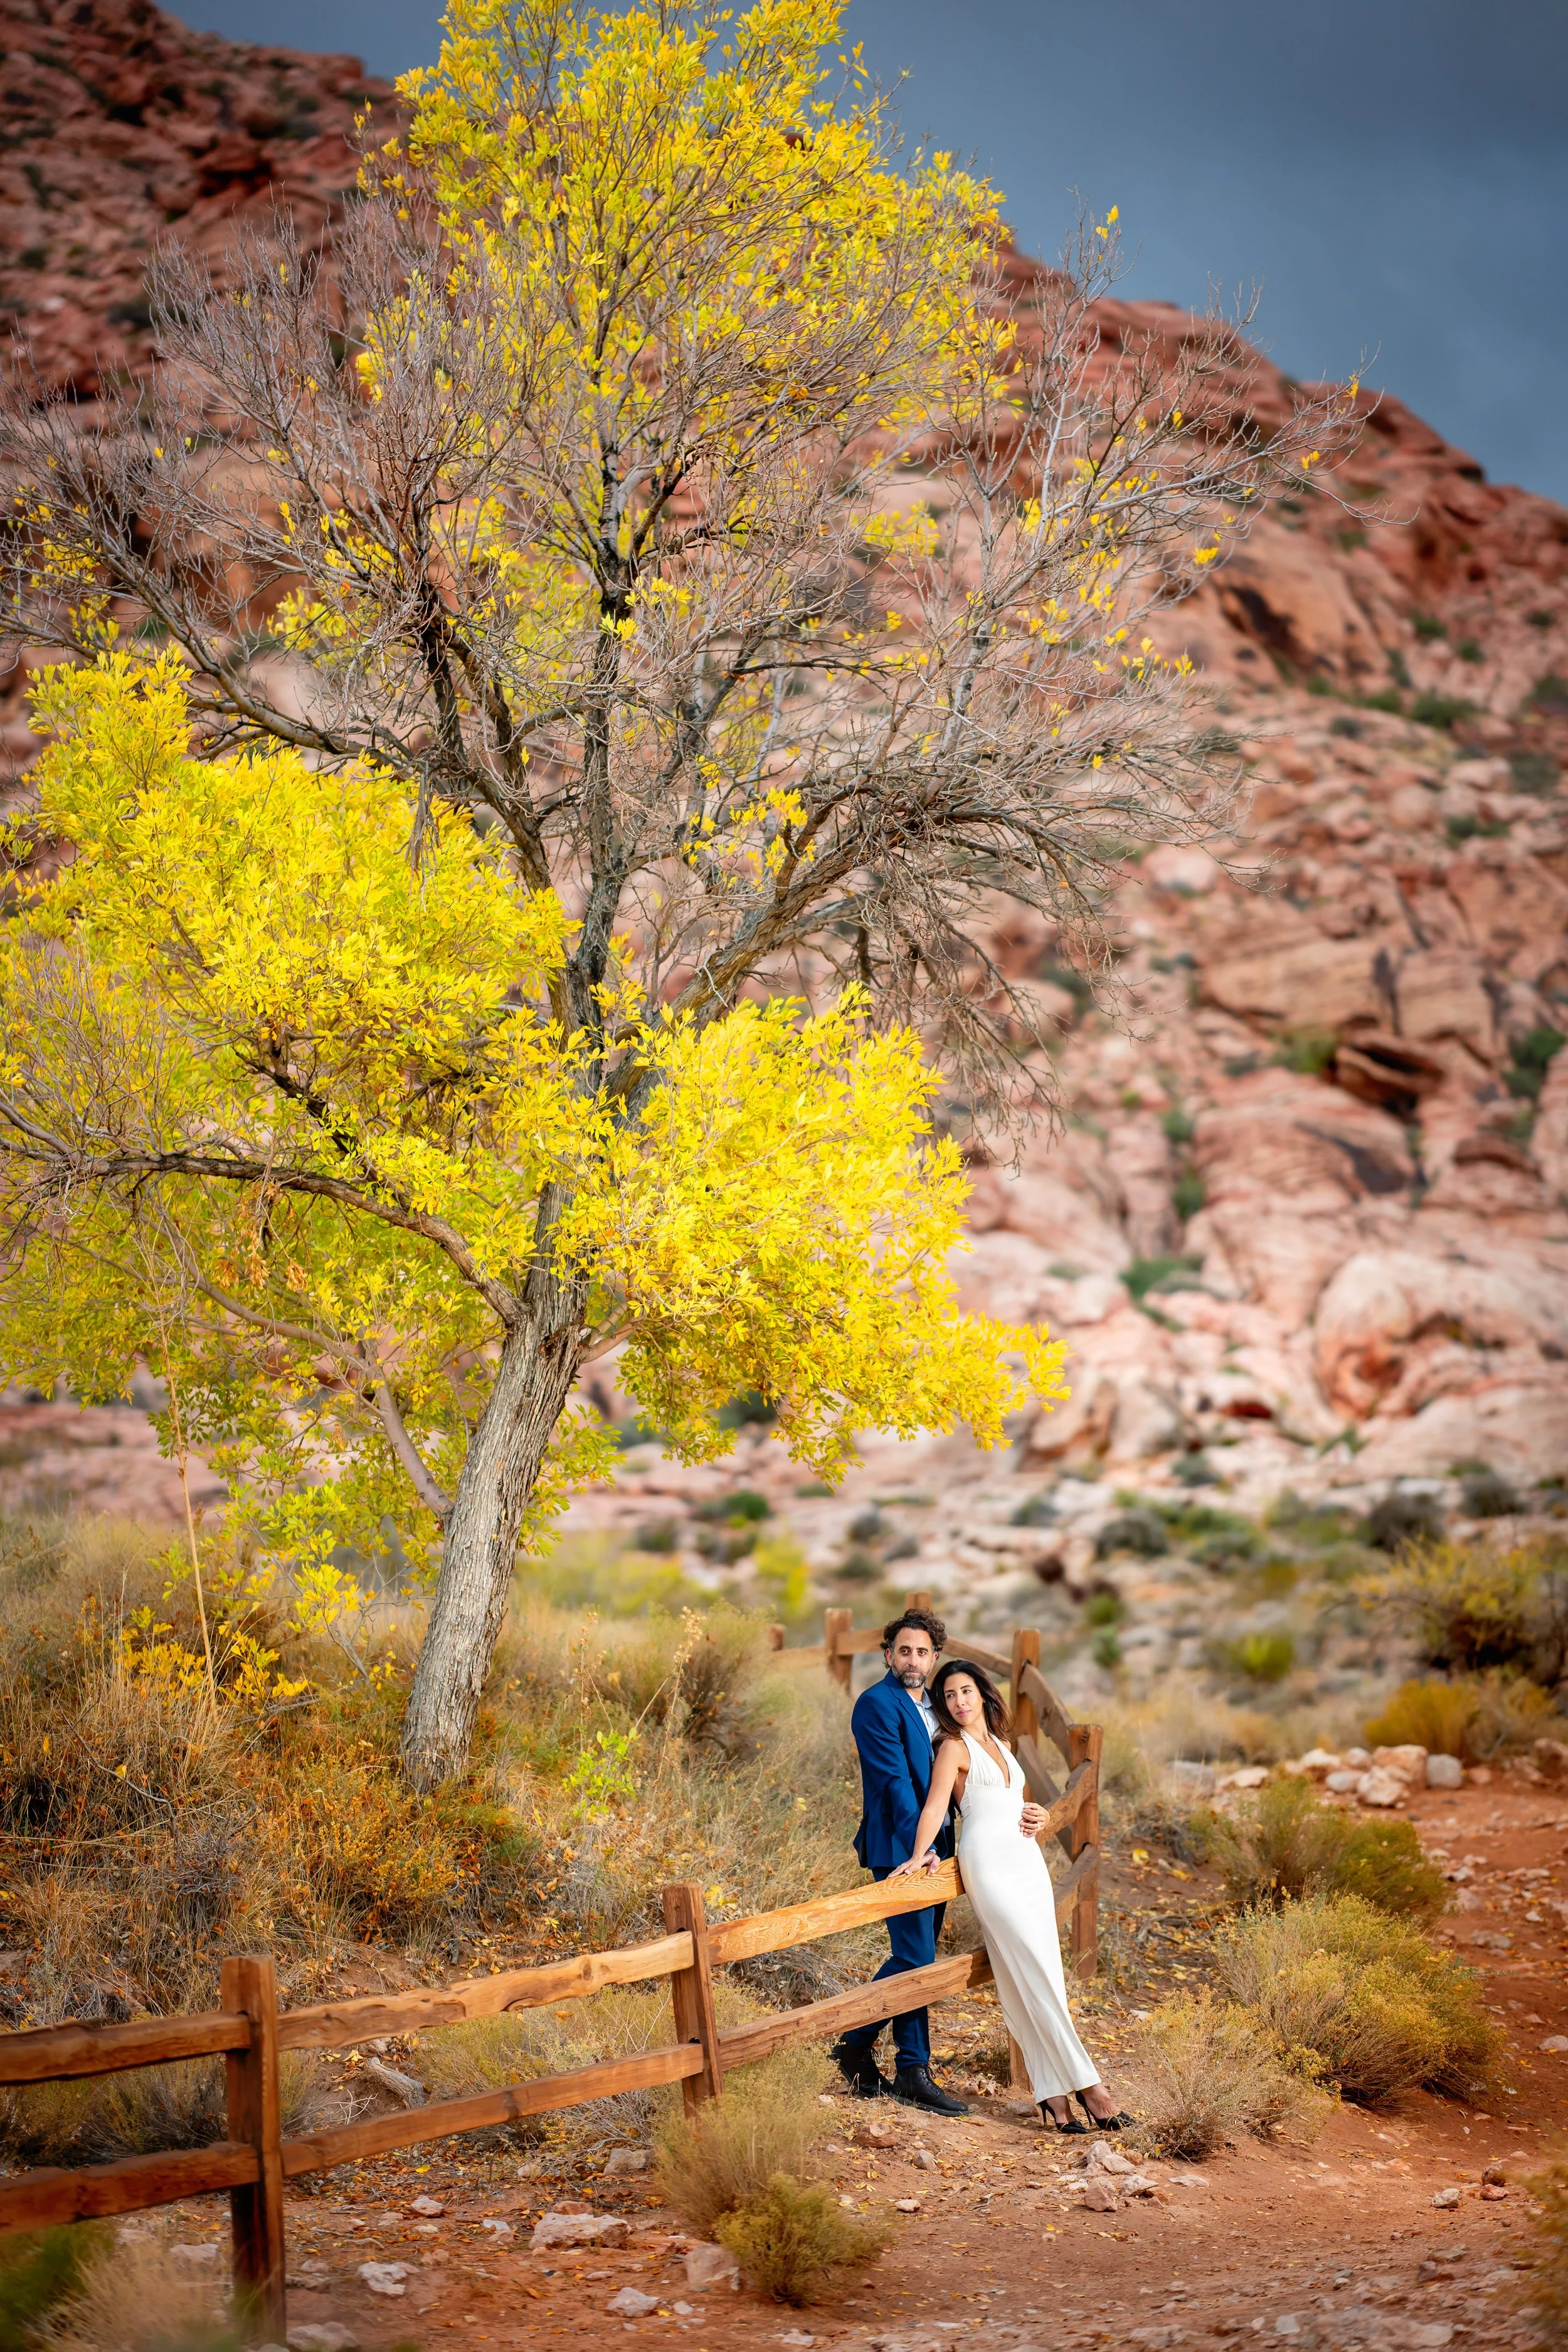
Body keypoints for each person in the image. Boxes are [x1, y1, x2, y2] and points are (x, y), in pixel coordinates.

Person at [891, 1656, 1134, 2136]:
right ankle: (1093, 2090)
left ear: (982, 1693)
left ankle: (1052, 2095)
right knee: (1034, 1976)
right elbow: (937, 1805)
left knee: (1040, 1978)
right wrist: (921, 1854)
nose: (958, 1702)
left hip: (1027, 1865)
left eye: (965, 1691)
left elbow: (1017, 1803)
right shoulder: (952, 1749)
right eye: (948, 1696)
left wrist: (1041, 1816)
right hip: (991, 1868)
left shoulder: (1003, 1744)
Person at [831, 1608, 970, 2115]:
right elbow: (894, 1784)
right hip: (903, 1850)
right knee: (915, 1959)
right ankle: (902, 2064)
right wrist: (922, 1849)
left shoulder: (937, 1703)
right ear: (888, 1654)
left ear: (935, 1657)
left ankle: (866, 2052)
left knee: (918, 1956)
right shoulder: (876, 1704)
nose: (913, 1660)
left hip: (940, 1848)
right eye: (904, 1650)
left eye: (923, 1652)